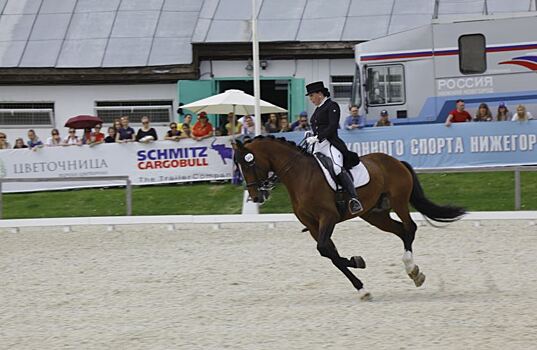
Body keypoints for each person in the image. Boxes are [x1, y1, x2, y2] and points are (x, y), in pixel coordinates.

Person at [305, 81, 362, 214]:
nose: (311, 99)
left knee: (336, 167)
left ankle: (354, 199)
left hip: (330, 144)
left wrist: (318, 137)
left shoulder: (332, 105)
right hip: (318, 146)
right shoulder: (318, 109)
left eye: (312, 95)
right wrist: (311, 135)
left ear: (320, 93)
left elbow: (332, 126)